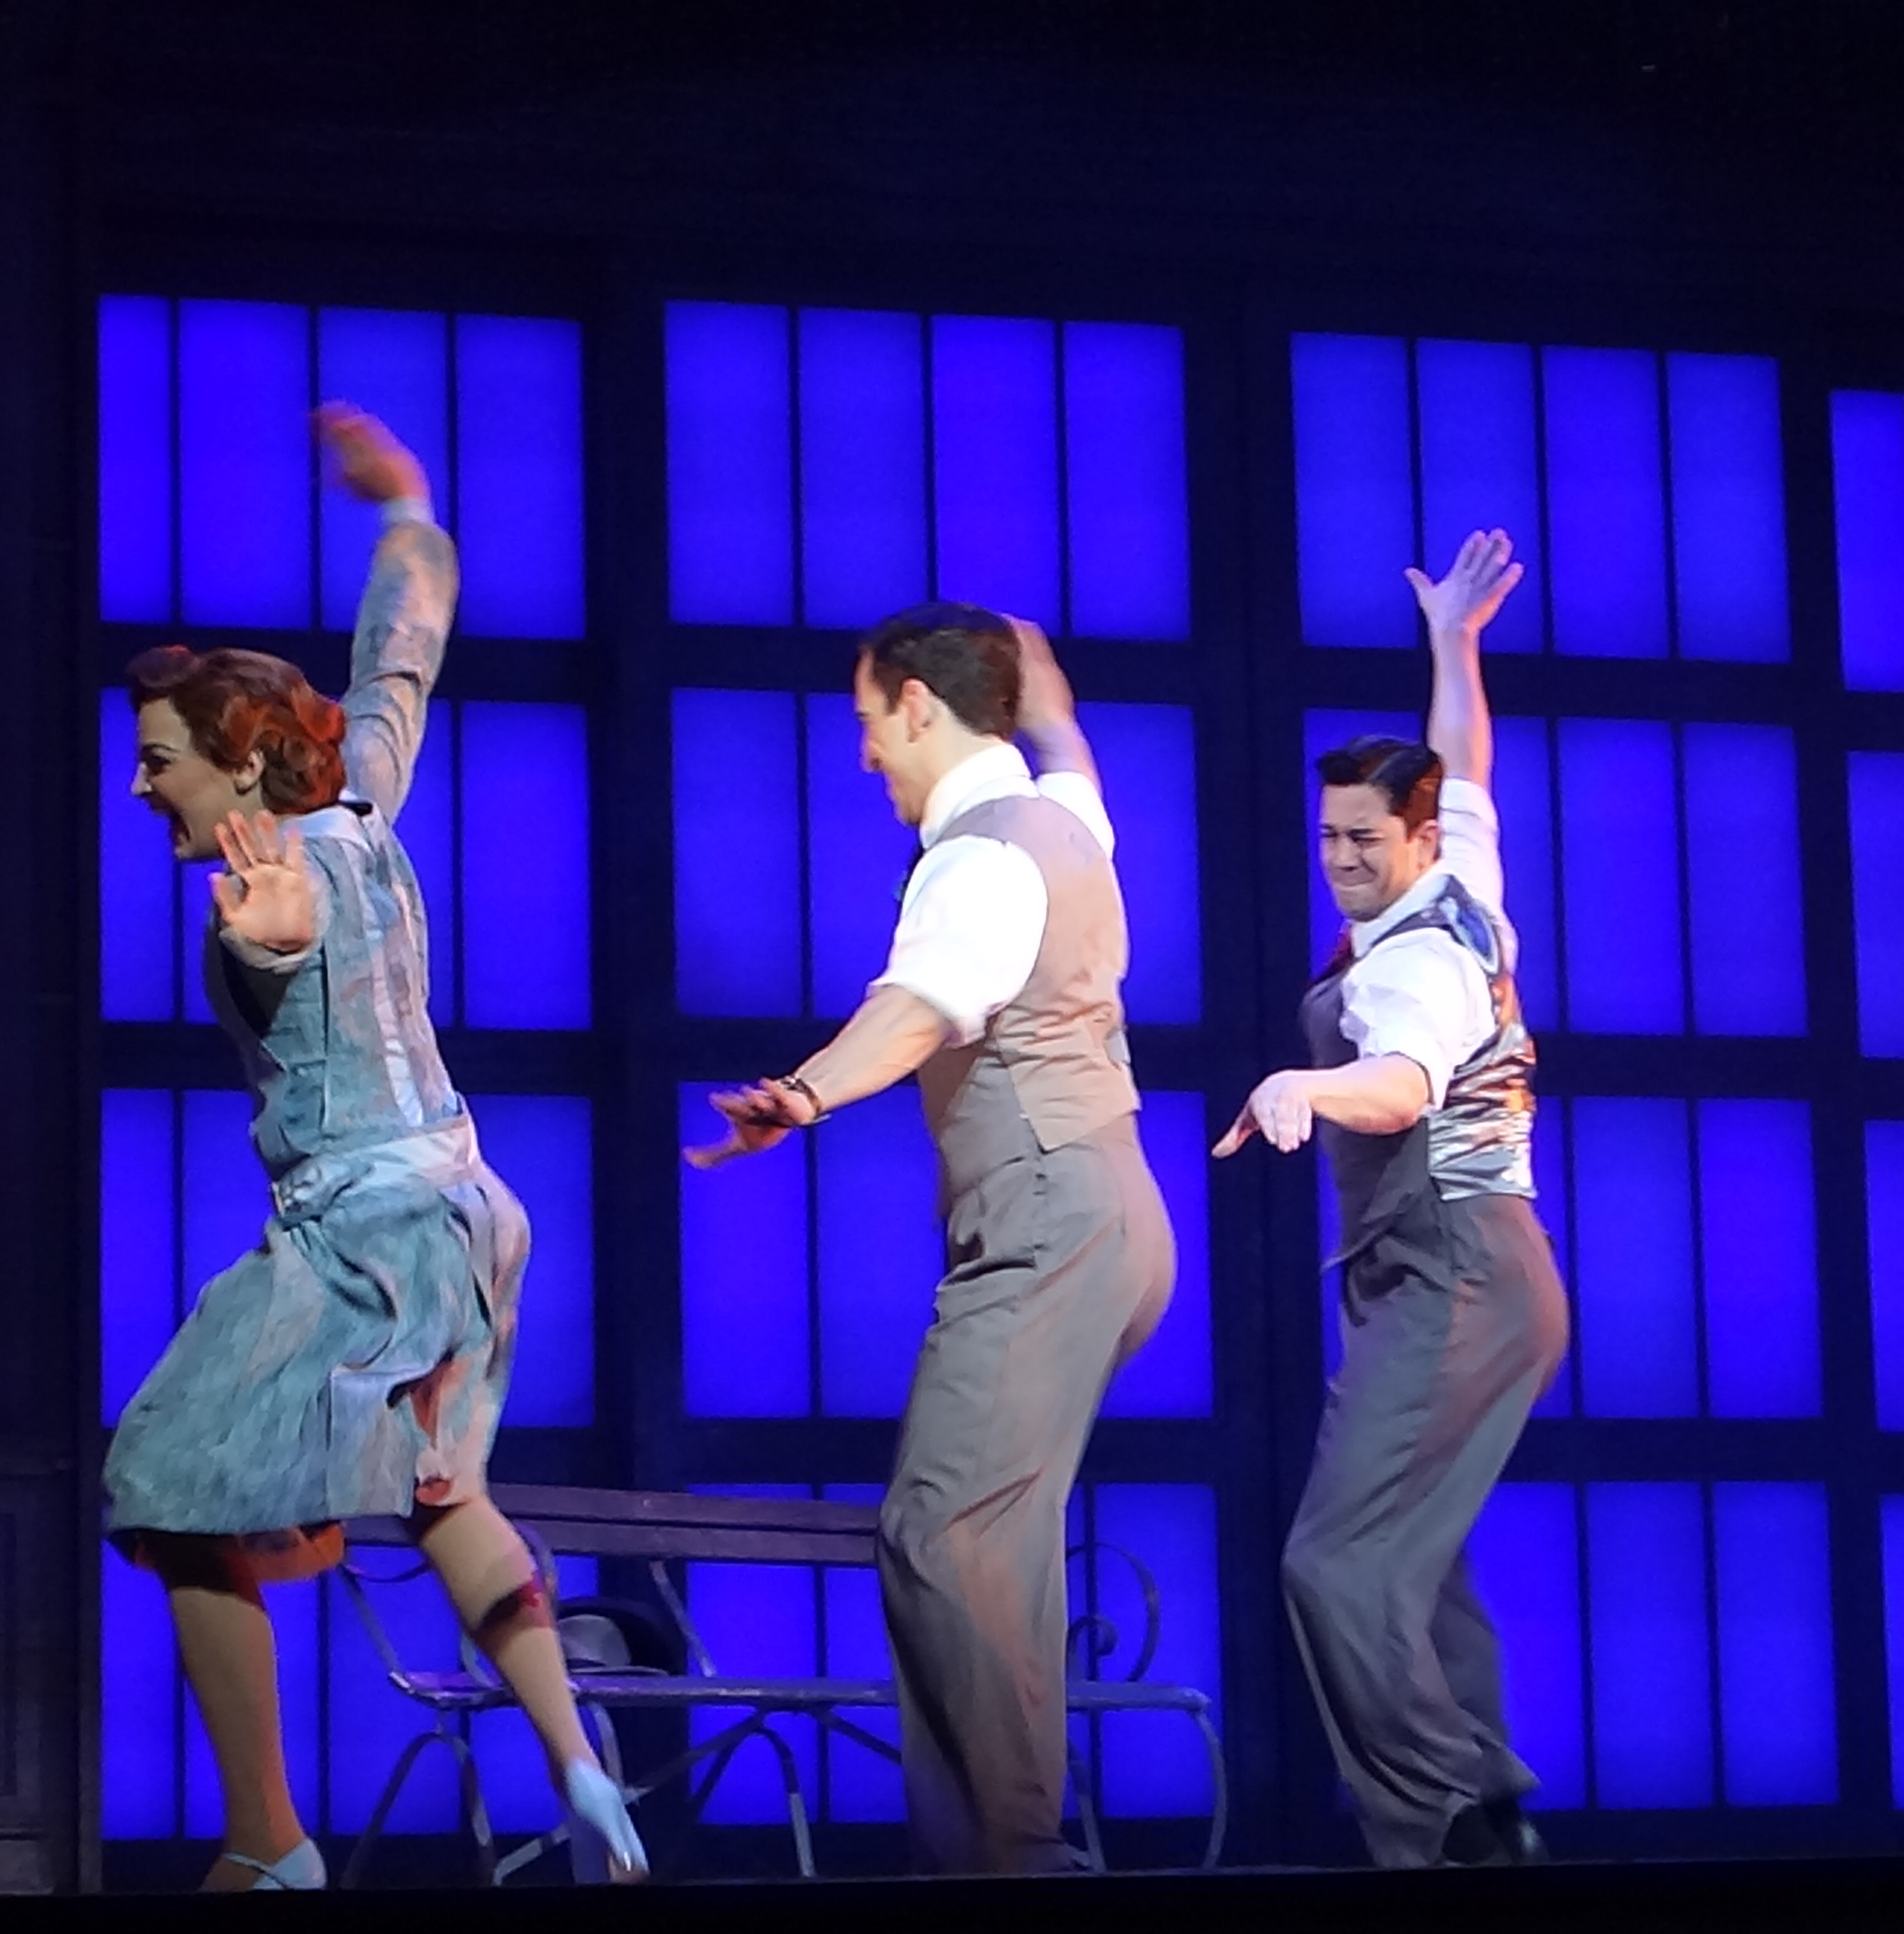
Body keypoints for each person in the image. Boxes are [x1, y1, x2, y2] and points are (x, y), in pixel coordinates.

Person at [100, 402, 646, 1891]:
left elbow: (284, 941)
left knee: (162, 1484)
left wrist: (268, 937)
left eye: (159, 760)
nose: (142, 787)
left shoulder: (279, 874)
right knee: (443, 1492)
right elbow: (399, 659)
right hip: (469, 1210)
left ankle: (267, 1841)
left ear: (239, 767)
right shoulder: (363, 804)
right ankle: (582, 1770)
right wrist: (406, 506)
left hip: (364, 1235)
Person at [685, 605, 1175, 1873]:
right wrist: (1045, 692)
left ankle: (1013, 1859)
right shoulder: (1063, 822)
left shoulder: (982, 854)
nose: (864, 754)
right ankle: (1000, 1849)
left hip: (1047, 1215)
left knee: (941, 1527)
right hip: (1113, 1214)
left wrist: (803, 1095)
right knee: (996, 1538)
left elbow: (922, 1005)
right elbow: (1072, 756)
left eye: (868, 722)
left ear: (916, 704)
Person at [1213, 528, 1569, 1869]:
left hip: (1454, 1265)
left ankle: (1442, 1831)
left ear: (1412, 840)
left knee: (1338, 1565)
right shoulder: (1463, 878)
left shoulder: (1411, 964)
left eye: (1366, 838)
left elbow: (1406, 1081)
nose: (1343, 858)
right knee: (1414, 1556)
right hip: (1481, 1272)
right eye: (1330, 836)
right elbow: (1463, 762)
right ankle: (1488, 1806)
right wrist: (1455, 646)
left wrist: (1306, 1088)